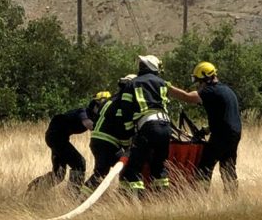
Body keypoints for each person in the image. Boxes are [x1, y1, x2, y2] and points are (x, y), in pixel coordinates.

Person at [168, 61, 241, 193]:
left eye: (199, 82)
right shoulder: (226, 90)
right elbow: (225, 116)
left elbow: (187, 97)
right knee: (228, 167)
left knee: (204, 167)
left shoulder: (210, 90)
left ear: (206, 79)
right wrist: (206, 129)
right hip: (234, 134)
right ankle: (232, 197)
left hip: (221, 135)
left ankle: (201, 197)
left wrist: (166, 87)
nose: (199, 85)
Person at [29, 91, 112, 191]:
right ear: (94, 104)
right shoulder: (84, 112)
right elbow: (88, 124)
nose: (102, 109)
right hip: (56, 137)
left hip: (57, 138)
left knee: (58, 175)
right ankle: (73, 195)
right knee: (79, 164)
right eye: (100, 106)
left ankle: (33, 189)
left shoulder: (95, 116)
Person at [118, 55, 172, 197]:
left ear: (143, 68)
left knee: (134, 166)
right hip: (166, 127)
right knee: (159, 166)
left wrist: (129, 133)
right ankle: (162, 199)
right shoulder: (162, 83)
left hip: (148, 127)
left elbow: (125, 109)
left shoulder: (133, 83)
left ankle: (140, 201)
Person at [82, 74, 136, 195]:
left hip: (98, 140)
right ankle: (82, 198)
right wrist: (128, 145)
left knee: (106, 170)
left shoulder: (111, 100)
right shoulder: (123, 102)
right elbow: (121, 126)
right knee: (108, 170)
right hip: (107, 142)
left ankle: (83, 196)